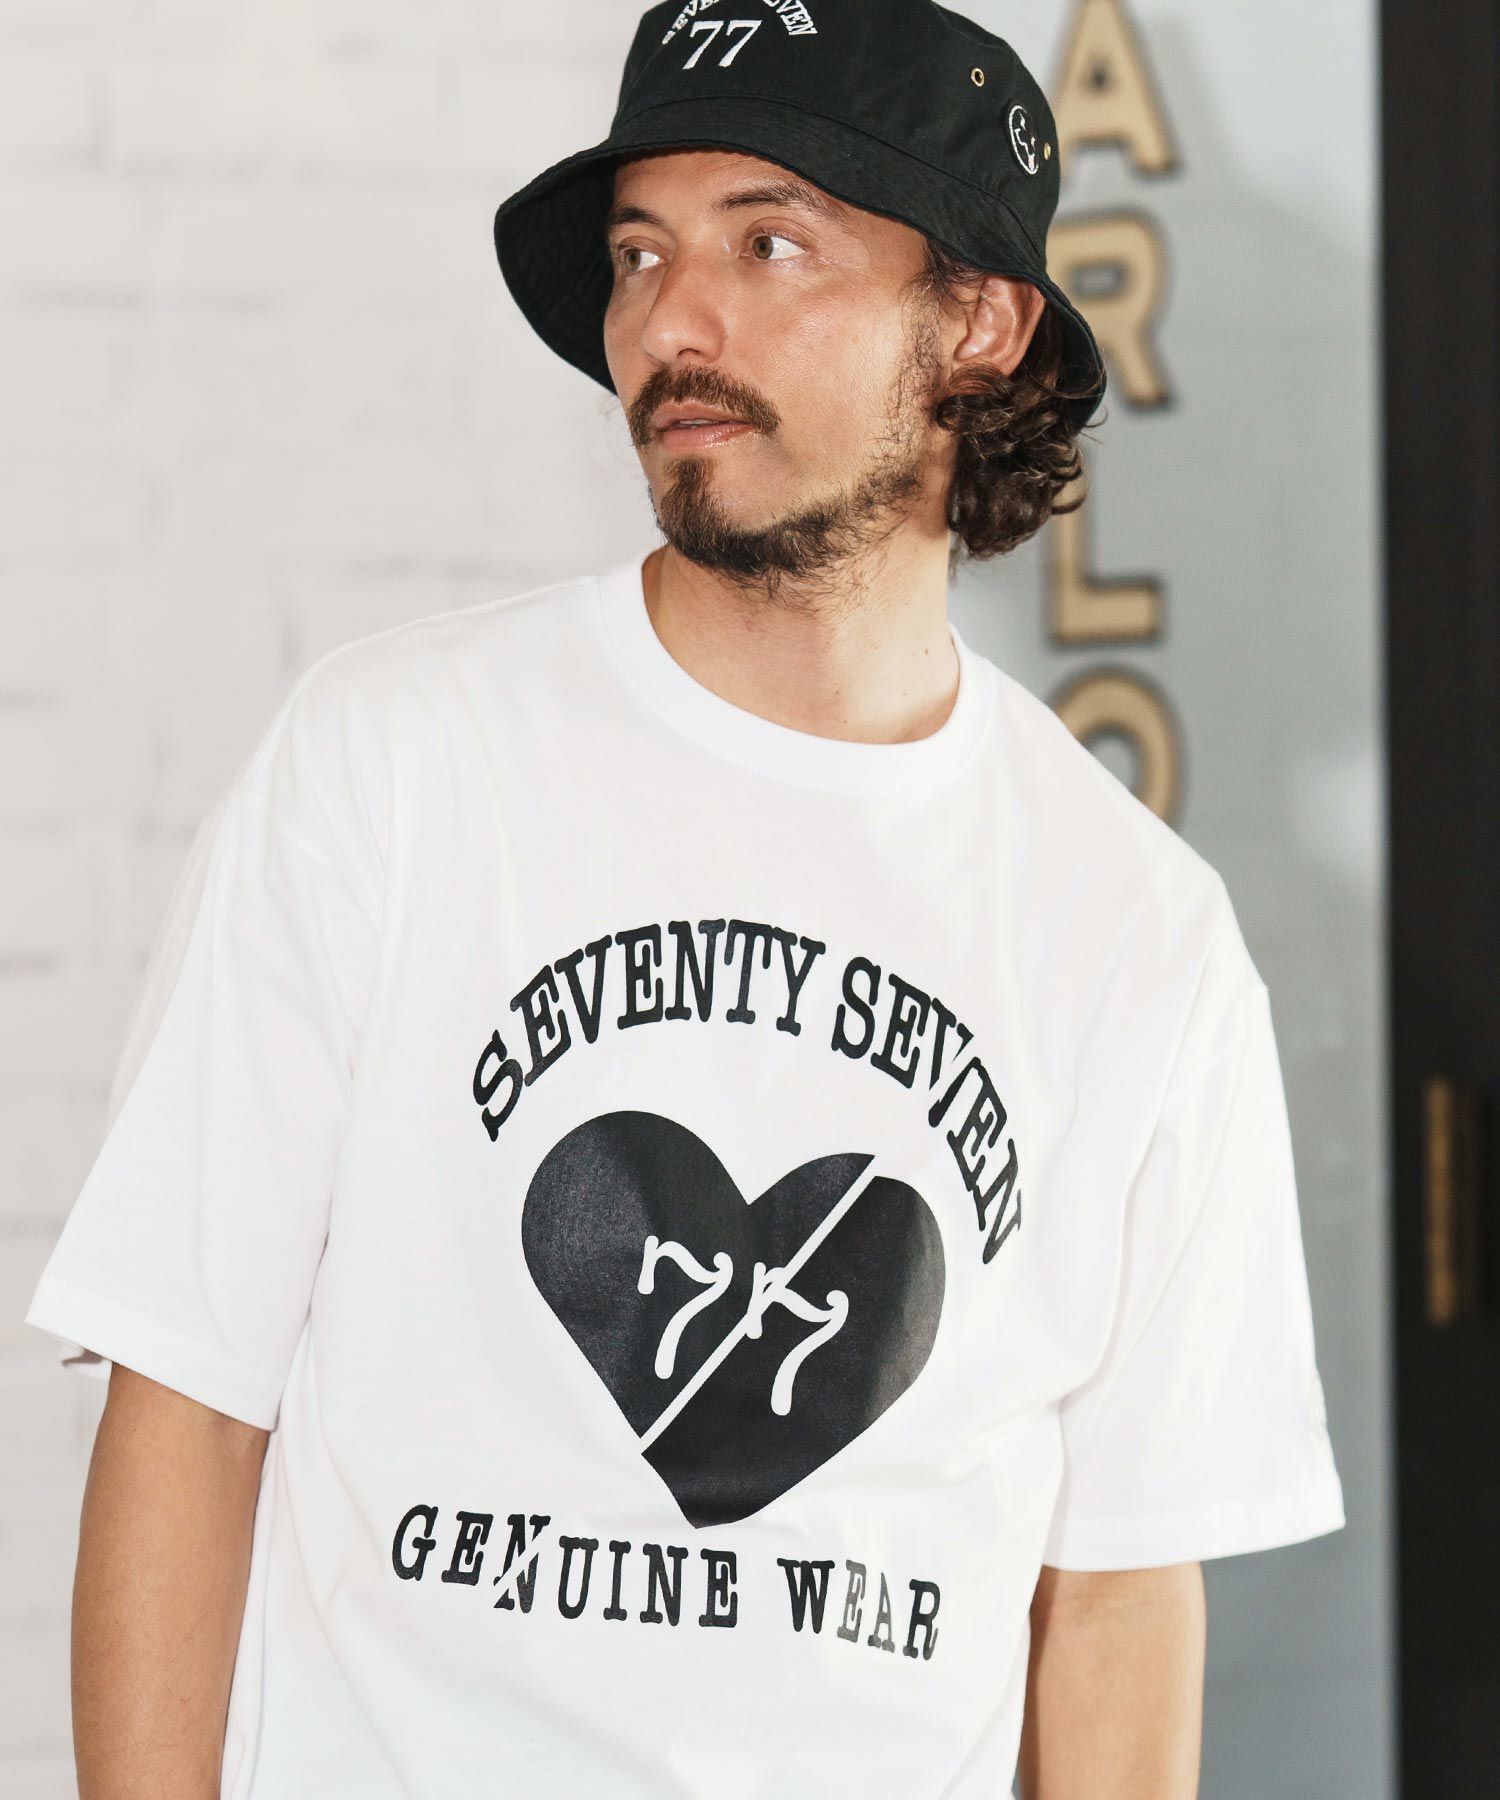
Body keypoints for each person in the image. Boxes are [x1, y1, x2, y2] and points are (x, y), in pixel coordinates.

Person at [25, 2, 1344, 1796]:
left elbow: (1114, 1596)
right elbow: (185, 1406)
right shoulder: (393, 766)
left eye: (768, 243)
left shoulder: (1139, 935)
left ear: (977, 322)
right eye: (641, 253)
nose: (668, 323)